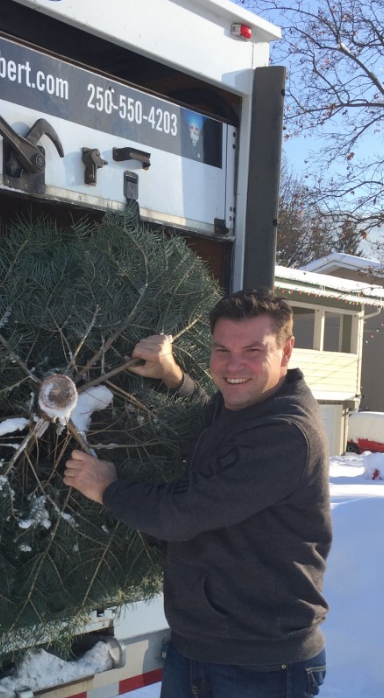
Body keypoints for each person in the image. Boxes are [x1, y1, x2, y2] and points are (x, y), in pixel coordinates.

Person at [63, 288, 331, 698]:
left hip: (260, 666)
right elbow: (214, 412)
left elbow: (181, 515)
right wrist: (173, 376)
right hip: (200, 648)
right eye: (222, 349)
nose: (233, 365)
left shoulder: (286, 435)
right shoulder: (251, 405)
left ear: (287, 350)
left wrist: (106, 488)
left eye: (253, 350)